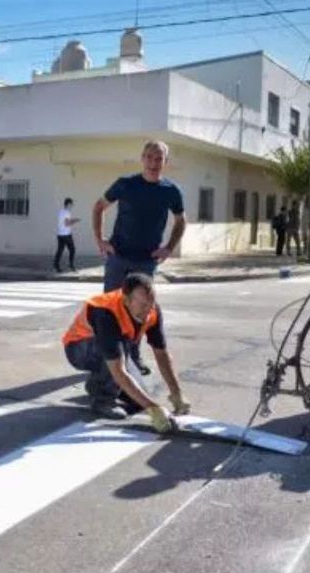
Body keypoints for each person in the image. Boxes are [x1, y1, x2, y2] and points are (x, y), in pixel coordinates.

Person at [92, 140, 186, 374]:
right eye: (150, 157)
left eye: (159, 159)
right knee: (110, 310)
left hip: (145, 261)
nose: (154, 163)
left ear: (165, 162)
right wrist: (100, 240)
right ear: (142, 158)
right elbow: (98, 207)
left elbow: (181, 220)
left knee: (140, 311)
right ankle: (107, 359)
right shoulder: (125, 184)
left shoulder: (171, 190)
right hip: (118, 257)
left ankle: (133, 357)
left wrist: (169, 247)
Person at [62, 272, 190, 429]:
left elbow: (161, 353)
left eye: (151, 304)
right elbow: (118, 368)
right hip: (80, 350)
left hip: (116, 350)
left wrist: (176, 392)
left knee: (137, 402)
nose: (148, 311)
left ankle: (97, 385)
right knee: (116, 355)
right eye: (143, 305)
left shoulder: (152, 310)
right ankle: (103, 399)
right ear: (126, 300)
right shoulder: (105, 312)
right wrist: (153, 408)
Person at [54, 197, 80, 272]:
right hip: (66, 235)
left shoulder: (61, 211)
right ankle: (71, 265)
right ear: (68, 204)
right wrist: (75, 220)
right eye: (71, 204)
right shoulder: (66, 212)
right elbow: (67, 223)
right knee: (72, 249)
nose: (72, 206)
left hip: (60, 234)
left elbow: (66, 221)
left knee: (60, 250)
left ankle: (56, 265)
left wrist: (72, 220)